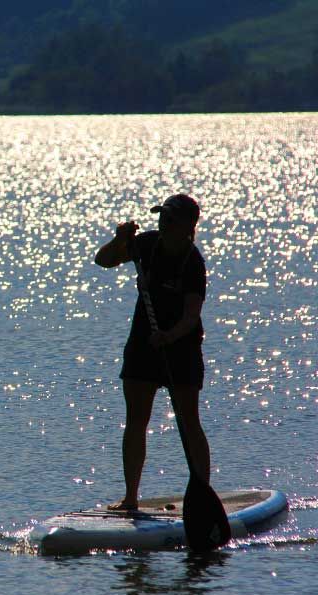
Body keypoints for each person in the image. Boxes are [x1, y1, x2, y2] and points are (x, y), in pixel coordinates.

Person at [94, 194, 211, 510]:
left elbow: (191, 315)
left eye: (171, 219)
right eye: (162, 216)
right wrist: (120, 241)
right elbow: (103, 260)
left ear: (188, 226)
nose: (164, 222)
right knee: (135, 420)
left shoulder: (192, 263)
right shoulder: (146, 245)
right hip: (144, 345)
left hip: (181, 348)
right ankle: (131, 498)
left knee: (189, 421)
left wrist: (169, 336)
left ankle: (201, 494)